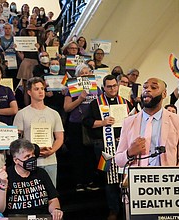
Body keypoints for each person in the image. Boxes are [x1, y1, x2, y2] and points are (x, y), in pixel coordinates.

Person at [115, 77, 179, 219]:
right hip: (137, 192)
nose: (147, 90)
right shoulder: (129, 122)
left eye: (154, 87)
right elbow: (118, 159)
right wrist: (129, 152)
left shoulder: (176, 121)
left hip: (167, 190)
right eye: (145, 87)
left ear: (164, 94)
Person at [83, 74, 132, 220]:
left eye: (114, 86)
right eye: (109, 86)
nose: (112, 89)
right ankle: (113, 210)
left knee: (125, 177)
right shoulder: (95, 103)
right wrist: (102, 122)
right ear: (103, 87)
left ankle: (127, 208)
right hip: (103, 145)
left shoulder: (124, 101)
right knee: (109, 179)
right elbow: (86, 122)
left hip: (123, 145)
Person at [0, 139, 63, 220]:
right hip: (15, 218)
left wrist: (55, 210)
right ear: (16, 160)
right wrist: (3, 184)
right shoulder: (6, 175)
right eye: (27, 156)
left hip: (40, 217)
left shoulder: (41, 173)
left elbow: (53, 199)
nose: (31, 159)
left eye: (33, 155)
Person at [13, 77, 64, 187]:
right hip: (29, 161)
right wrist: (31, 151)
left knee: (51, 192)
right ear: (29, 92)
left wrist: (51, 151)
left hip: (50, 160)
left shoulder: (54, 113)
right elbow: (16, 139)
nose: (41, 91)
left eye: (42, 88)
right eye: (36, 89)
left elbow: (59, 137)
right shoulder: (22, 114)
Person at [64, 64, 102, 192]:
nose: (85, 75)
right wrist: (80, 98)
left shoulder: (97, 88)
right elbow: (66, 108)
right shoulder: (72, 89)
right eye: (82, 73)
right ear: (77, 76)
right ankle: (79, 182)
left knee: (90, 154)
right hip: (76, 124)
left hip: (91, 124)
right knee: (78, 154)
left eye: (87, 72)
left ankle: (90, 181)